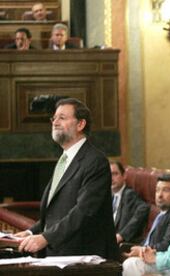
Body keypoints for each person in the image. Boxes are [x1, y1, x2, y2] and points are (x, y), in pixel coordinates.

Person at [14, 98, 119, 260]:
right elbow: (57, 211)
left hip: (84, 256)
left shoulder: (95, 161)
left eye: (62, 118)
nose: (55, 122)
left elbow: (84, 211)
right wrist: (31, 232)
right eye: (54, 118)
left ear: (80, 124)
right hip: (59, 254)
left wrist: (46, 238)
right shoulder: (64, 159)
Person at [123, 174, 170, 257]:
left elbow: (166, 245)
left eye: (165, 190)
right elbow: (148, 241)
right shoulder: (162, 213)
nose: (159, 195)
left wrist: (142, 250)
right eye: (157, 190)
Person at [110, 161, 150, 244]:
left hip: (123, 242)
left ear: (124, 176)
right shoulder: (110, 196)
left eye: (115, 174)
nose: (111, 178)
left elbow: (143, 208)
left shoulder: (129, 194)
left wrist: (121, 235)